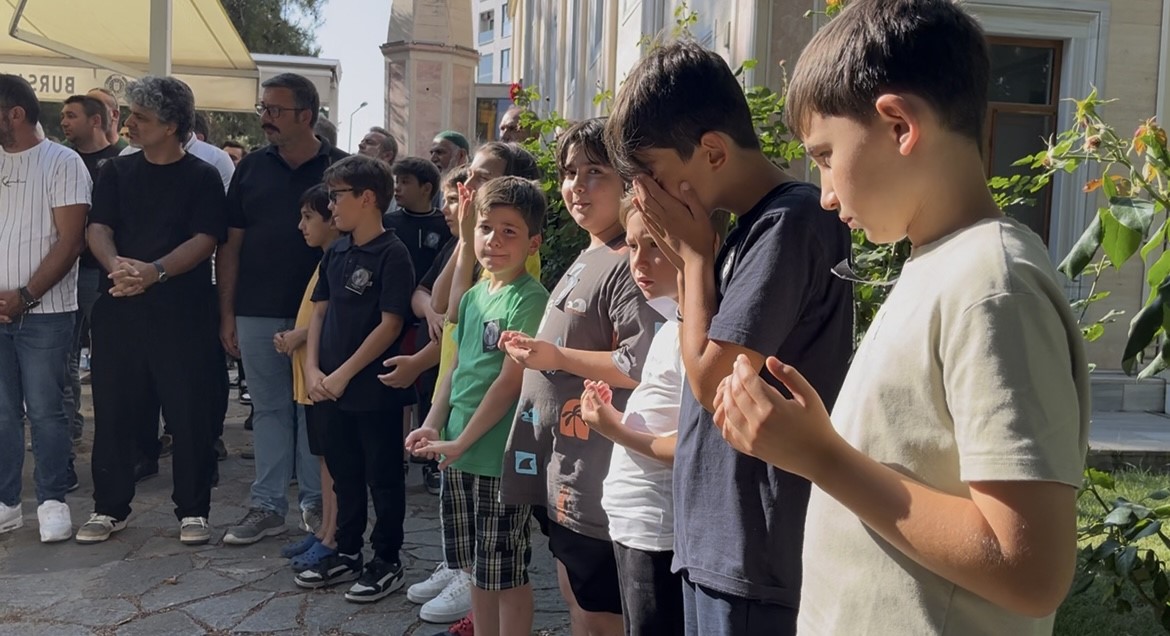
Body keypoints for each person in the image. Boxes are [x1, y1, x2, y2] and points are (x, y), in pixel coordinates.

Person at [712, 1, 1090, 634]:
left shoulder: (992, 285)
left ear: (898, 125)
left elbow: (1031, 570)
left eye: (826, 155)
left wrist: (821, 456)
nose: (825, 194)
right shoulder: (937, 264)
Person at [604, 39, 853, 635]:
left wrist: (694, 260)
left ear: (712, 151)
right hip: (715, 542)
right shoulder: (745, 229)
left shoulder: (790, 221)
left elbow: (713, 380)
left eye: (654, 175)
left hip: (752, 550)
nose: (645, 195)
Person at [499, 118, 661, 636]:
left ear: (628, 181)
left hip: (595, 476)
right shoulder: (593, 251)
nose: (577, 186)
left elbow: (639, 363)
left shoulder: (629, 260)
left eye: (595, 172)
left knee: (600, 612)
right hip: (563, 471)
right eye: (570, 173)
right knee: (576, 598)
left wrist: (557, 356)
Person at [75, 75, 227, 546]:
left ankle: (194, 510)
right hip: (120, 307)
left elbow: (205, 240)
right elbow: (97, 228)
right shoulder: (115, 172)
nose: (130, 124)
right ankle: (109, 507)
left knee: (188, 413)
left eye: (141, 117)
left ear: (171, 125)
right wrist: (117, 265)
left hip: (183, 314)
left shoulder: (203, 176)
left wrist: (155, 272)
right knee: (114, 411)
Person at [406, 175, 549, 636]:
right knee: (475, 570)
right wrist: (434, 425)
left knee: (505, 573)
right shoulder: (471, 298)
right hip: (458, 454)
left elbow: (509, 382)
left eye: (510, 231)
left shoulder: (532, 299)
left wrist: (462, 440)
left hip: (498, 460)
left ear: (533, 242)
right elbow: (455, 368)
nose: (495, 240)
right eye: (486, 228)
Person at [578, 202, 724, 636]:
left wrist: (614, 429)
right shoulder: (671, 323)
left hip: (657, 527)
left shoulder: (701, 336)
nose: (638, 261)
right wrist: (615, 415)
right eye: (632, 245)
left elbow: (692, 445)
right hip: (634, 521)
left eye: (656, 245)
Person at [218, 73, 342, 545]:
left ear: (306, 115)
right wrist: (227, 313)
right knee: (268, 409)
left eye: (275, 110)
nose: (265, 118)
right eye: (263, 109)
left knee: (314, 410)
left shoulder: (341, 169)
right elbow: (230, 245)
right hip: (256, 309)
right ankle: (267, 506)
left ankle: (315, 504)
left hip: (324, 313)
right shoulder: (249, 168)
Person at [294, 155, 415, 603]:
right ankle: (347, 550)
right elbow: (319, 312)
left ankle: (387, 558)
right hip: (329, 386)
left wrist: (344, 374)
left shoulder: (393, 253)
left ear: (367, 198)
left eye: (337, 196)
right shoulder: (337, 252)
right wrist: (313, 369)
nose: (331, 206)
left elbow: (390, 324)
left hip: (371, 389)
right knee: (343, 473)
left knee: (382, 476)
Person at [0, 74, 90, 543]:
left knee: (45, 410)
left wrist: (26, 295)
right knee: (1, 412)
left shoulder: (63, 161)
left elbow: (71, 241)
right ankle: (7, 502)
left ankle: (53, 501)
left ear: (15, 113)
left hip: (46, 312)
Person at [277, 184, 342, 573]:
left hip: (325, 378)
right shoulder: (325, 258)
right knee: (323, 461)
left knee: (334, 463)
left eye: (308, 217)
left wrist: (299, 336)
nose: (301, 226)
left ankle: (334, 536)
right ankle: (324, 532)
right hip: (310, 377)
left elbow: (334, 314)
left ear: (332, 220)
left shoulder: (338, 257)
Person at [59, 94, 119, 483]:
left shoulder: (121, 161)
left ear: (95, 121)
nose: (63, 121)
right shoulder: (58, 160)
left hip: (104, 275)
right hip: (62, 274)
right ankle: (67, 438)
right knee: (63, 361)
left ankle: (119, 446)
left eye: (71, 115)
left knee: (111, 360)